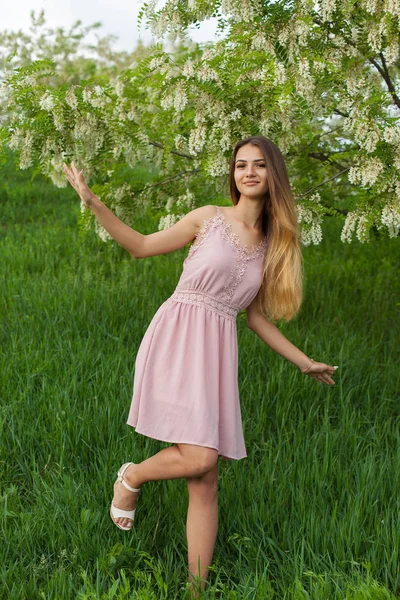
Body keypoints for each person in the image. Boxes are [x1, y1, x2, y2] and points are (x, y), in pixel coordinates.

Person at [63, 135, 338, 598]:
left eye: (258, 165)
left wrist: (303, 361)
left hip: (216, 350)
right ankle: (132, 475)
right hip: (178, 336)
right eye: (239, 165)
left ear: (274, 175)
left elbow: (255, 318)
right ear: (232, 175)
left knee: (205, 477)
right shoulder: (208, 218)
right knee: (201, 456)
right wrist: (93, 203)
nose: (247, 172)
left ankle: (197, 590)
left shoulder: (273, 245)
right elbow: (142, 246)